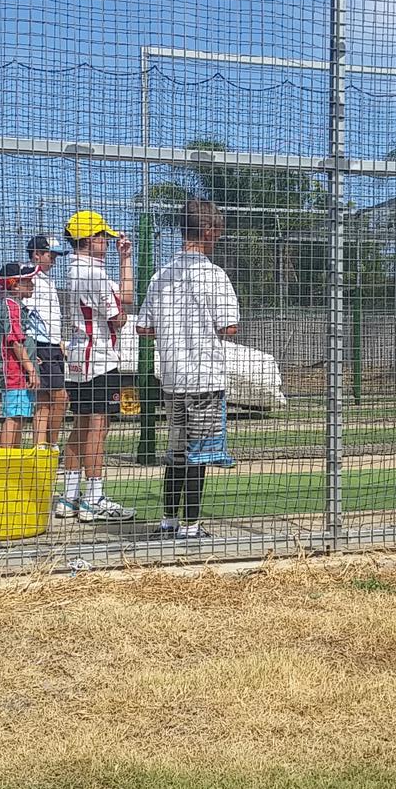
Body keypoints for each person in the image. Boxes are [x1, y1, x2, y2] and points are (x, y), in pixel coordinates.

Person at [136, 199, 239, 541]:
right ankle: (191, 526)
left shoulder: (160, 275)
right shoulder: (214, 275)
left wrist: (172, 326)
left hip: (172, 378)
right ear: (208, 231)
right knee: (200, 453)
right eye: (218, 233)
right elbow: (229, 327)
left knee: (176, 452)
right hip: (205, 376)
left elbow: (143, 328)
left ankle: (167, 521)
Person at [56, 210, 135, 523]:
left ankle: (69, 497)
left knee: (82, 425)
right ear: (89, 239)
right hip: (98, 359)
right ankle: (93, 498)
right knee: (98, 429)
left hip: (78, 359)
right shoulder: (93, 274)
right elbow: (119, 316)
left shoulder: (79, 269)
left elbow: (125, 296)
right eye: (102, 236)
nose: (106, 240)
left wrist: (125, 258)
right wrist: (121, 317)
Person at [24, 235, 69, 447]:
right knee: (60, 397)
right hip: (41, 346)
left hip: (52, 344)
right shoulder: (29, 277)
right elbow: (27, 315)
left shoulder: (46, 280)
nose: (54, 261)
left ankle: (41, 447)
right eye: (51, 256)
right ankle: (51, 445)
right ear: (37, 254)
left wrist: (59, 340)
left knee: (45, 401)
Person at [0, 263, 40, 449]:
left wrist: (32, 358)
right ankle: (3, 463)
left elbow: (21, 341)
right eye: (27, 281)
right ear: (15, 285)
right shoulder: (11, 307)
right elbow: (14, 341)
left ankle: (13, 462)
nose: (32, 285)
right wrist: (30, 369)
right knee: (13, 418)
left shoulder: (17, 307)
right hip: (15, 374)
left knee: (20, 416)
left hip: (20, 372)